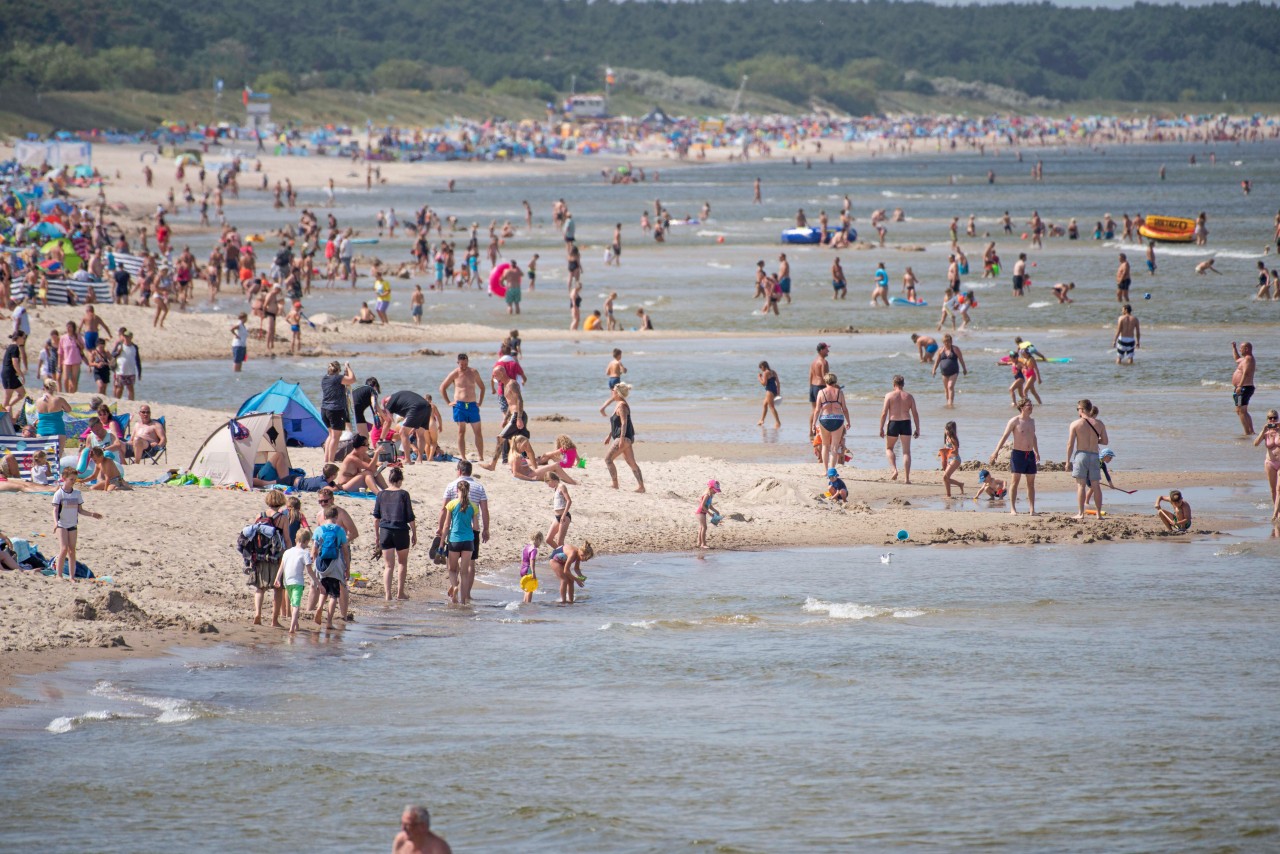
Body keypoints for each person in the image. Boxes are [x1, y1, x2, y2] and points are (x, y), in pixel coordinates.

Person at [373, 466, 416, 601]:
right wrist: (414, 533)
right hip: (401, 531)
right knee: (402, 563)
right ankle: (400, 593)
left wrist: (377, 536)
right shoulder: (404, 494)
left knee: (388, 565)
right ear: (400, 480)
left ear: (389, 480)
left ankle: (387, 595)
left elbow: (376, 518)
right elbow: (410, 517)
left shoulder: (381, 494)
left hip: (385, 531)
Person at [990, 400, 1040, 515]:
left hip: (1030, 454)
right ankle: (1013, 509)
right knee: (1015, 481)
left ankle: (1032, 509)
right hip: (1018, 454)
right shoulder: (1015, 421)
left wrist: (1036, 451)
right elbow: (1004, 436)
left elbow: (1033, 436)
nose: (1031, 407)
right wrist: (996, 451)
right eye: (1029, 405)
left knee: (1031, 483)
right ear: (1022, 407)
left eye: (1032, 405)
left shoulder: (1032, 421)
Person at [52, 469, 101, 580]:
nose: (73, 481)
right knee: (63, 549)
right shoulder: (59, 493)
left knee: (72, 550)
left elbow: (80, 510)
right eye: (71, 479)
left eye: (75, 479)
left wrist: (92, 514)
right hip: (61, 524)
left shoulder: (77, 493)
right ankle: (59, 575)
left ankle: (72, 576)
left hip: (73, 524)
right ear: (64, 478)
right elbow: (55, 510)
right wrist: (55, 523)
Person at [1067, 398, 1108, 519]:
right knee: (1096, 485)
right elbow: (1105, 441)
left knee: (1081, 485)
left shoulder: (1075, 424)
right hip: (1094, 455)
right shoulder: (1099, 423)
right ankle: (1099, 514)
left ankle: (1080, 513)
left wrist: (1067, 460)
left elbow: (1070, 444)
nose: (1077, 411)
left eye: (1077, 409)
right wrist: (1095, 440)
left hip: (1081, 455)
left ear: (1082, 409)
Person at [439, 353, 486, 461]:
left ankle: (481, 456)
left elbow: (482, 387)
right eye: (462, 365)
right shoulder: (455, 373)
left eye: (465, 364)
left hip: (472, 406)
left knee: (478, 432)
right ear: (458, 363)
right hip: (459, 406)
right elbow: (442, 388)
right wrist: (448, 402)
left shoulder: (473, 372)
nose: (464, 366)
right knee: (461, 431)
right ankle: (463, 457)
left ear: (468, 362)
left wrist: (480, 402)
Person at [439, 480, 479, 605]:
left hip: (454, 540)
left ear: (457, 491)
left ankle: (454, 586)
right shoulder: (473, 506)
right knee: (464, 572)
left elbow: (446, 526)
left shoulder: (451, 504)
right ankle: (463, 601)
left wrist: (441, 543)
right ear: (468, 491)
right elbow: (476, 527)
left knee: (452, 569)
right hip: (468, 541)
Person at [311, 505, 351, 629]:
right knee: (334, 595)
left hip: (321, 564)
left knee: (323, 590)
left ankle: (319, 607)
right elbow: (345, 551)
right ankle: (329, 622)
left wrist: (314, 564)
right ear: (336, 517)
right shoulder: (340, 531)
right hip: (335, 565)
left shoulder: (319, 530)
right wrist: (347, 568)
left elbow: (314, 550)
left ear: (324, 517)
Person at [600, 382, 644, 492]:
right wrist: (609, 436)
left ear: (618, 393)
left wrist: (622, 438)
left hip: (623, 438)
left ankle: (615, 484)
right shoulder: (618, 404)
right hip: (623, 437)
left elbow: (624, 423)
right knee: (631, 462)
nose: (611, 392)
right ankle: (641, 487)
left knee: (608, 459)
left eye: (613, 390)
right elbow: (617, 424)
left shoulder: (622, 406)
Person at [878, 375, 920, 483]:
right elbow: (915, 413)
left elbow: (884, 413)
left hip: (893, 423)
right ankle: (906, 479)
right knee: (906, 452)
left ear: (894, 385)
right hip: (906, 423)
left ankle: (894, 470)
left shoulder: (889, 395)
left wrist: (881, 428)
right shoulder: (909, 396)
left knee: (889, 448)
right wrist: (917, 428)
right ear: (903, 384)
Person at [274, 528, 314, 634]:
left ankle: (295, 624)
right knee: (296, 605)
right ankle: (292, 628)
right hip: (298, 583)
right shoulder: (305, 553)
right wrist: (317, 582)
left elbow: (281, 567)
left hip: (287, 582)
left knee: (293, 603)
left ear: (296, 539)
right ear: (306, 541)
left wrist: (277, 578)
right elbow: (309, 571)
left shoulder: (287, 552)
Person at [813, 372, 850, 475]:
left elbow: (817, 410)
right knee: (834, 446)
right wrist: (848, 421)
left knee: (825, 445)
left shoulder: (821, 392)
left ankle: (825, 471)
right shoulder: (839, 392)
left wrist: (813, 423)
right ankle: (831, 471)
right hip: (838, 419)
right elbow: (845, 409)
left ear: (825, 381)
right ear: (835, 381)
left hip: (824, 419)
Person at [321, 361, 357, 462]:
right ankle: (331, 460)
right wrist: (348, 367)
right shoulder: (338, 378)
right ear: (338, 370)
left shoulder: (324, 378)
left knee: (331, 435)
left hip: (324, 409)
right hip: (335, 410)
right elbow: (352, 379)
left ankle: (326, 459)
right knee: (336, 437)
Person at [1253, 409, 1280, 521]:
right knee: (1273, 489)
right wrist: (1263, 430)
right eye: (1270, 418)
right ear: (1267, 420)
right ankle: (1277, 511)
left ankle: (1275, 514)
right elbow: (1255, 444)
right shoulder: (1266, 432)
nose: (1272, 420)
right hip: (1270, 463)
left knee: (1279, 489)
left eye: (1275, 418)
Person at [35, 379, 72, 456]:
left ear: (44, 388)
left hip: (42, 430)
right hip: (57, 429)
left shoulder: (38, 401)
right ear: (55, 388)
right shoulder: (59, 399)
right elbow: (69, 410)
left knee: (41, 456)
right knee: (58, 455)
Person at [931, 334, 966, 408]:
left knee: (950, 386)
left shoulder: (955, 349)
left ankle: (950, 403)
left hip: (954, 371)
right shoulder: (941, 350)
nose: (947, 343)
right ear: (943, 342)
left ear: (951, 341)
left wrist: (964, 369)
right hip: (944, 373)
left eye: (948, 342)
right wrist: (934, 369)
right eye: (945, 342)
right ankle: (948, 403)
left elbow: (961, 359)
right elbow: (937, 361)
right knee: (946, 388)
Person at [1232, 341, 1256, 436]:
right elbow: (1236, 359)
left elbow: (1245, 373)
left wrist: (1240, 386)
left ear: (1246, 349)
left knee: (1241, 411)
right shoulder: (1245, 359)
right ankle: (1251, 431)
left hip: (1243, 388)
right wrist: (1234, 348)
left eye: (1241, 348)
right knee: (1241, 411)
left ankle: (1247, 433)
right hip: (1243, 388)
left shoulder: (1248, 359)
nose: (1239, 349)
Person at [545, 470, 572, 548]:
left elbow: (569, 501)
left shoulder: (561, 486)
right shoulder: (556, 488)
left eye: (548, 483)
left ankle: (564, 557)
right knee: (548, 539)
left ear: (551, 480)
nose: (548, 485)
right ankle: (561, 554)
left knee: (559, 541)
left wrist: (563, 515)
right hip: (557, 517)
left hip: (564, 516)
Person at [808, 343, 831, 436]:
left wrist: (810, 388)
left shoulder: (814, 362)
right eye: (826, 349)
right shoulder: (824, 362)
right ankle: (824, 432)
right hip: (821, 387)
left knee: (814, 410)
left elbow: (810, 376)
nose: (828, 351)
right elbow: (825, 377)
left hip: (813, 387)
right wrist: (831, 388)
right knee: (824, 410)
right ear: (821, 350)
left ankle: (811, 431)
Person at [2, 331, 26, 415]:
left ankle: (7, 408)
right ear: (19, 338)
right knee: (7, 397)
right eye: (23, 337)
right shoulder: (14, 347)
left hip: (10, 374)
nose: (24, 339)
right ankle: (2, 415)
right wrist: (21, 375)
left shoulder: (12, 347)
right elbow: (14, 363)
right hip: (9, 375)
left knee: (22, 393)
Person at [694, 478, 721, 549]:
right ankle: (703, 544)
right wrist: (709, 513)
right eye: (715, 490)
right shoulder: (707, 495)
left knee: (701, 527)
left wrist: (716, 511)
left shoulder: (711, 496)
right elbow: (702, 505)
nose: (715, 492)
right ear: (710, 488)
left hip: (703, 512)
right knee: (704, 527)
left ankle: (699, 542)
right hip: (700, 512)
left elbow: (710, 506)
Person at [940, 421, 964, 498]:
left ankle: (948, 495)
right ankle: (960, 484)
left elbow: (956, 452)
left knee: (945, 477)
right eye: (945, 429)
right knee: (946, 478)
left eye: (947, 429)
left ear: (951, 430)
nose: (946, 431)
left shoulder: (952, 439)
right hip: (950, 459)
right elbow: (946, 448)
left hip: (956, 459)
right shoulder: (946, 438)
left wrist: (947, 452)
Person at [757, 360, 781, 428]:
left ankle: (778, 422)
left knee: (771, 407)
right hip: (774, 390)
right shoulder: (773, 372)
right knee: (764, 404)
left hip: (769, 391)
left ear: (763, 366)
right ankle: (762, 420)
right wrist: (778, 392)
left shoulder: (765, 373)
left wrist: (759, 378)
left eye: (761, 368)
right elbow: (778, 382)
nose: (761, 369)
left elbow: (764, 383)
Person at [520, 532, 542, 604]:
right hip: (529, 569)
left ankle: (524, 603)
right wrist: (533, 572)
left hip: (523, 568)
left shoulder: (526, 547)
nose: (540, 544)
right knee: (530, 589)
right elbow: (532, 560)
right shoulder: (534, 549)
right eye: (540, 541)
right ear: (538, 539)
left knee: (526, 589)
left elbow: (523, 558)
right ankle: (528, 605)